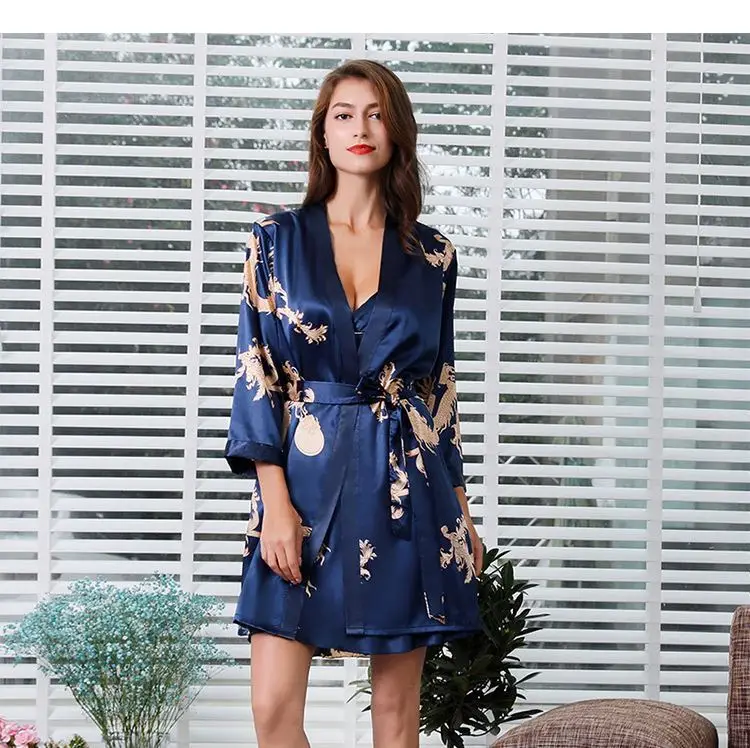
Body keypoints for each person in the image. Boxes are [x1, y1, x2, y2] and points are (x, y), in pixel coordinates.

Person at [224, 58, 483, 748]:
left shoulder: (433, 256)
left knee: (396, 718)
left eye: (376, 114)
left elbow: (439, 387)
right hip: (302, 487)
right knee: (274, 712)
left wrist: (461, 509)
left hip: (407, 487)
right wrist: (274, 506)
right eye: (344, 114)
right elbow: (258, 375)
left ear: (397, 133)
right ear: (324, 133)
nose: (360, 127)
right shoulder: (275, 241)